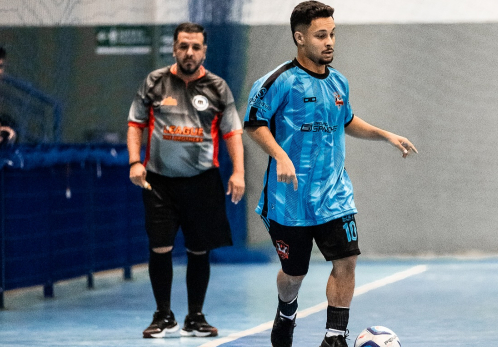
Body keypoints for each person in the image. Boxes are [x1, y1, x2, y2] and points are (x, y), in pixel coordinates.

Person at [243, 2, 418, 347]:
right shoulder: (277, 81)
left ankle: (335, 336)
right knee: (294, 274)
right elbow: (253, 124)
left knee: (346, 259)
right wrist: (280, 155)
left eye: (333, 34)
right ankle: (287, 309)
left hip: (334, 194)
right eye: (321, 35)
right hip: (289, 198)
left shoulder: (339, 82)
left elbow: (347, 121)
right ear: (300, 37)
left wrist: (385, 134)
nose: (330, 42)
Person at [127, 22, 245, 339]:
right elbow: (135, 123)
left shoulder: (218, 87)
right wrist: (135, 161)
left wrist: (238, 172)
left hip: (202, 181)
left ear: (204, 50)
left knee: (199, 250)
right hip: (158, 182)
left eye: (195, 47)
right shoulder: (154, 82)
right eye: (183, 46)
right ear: (174, 48)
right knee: (161, 246)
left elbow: (232, 132)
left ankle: (195, 317)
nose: (189, 52)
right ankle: (163, 315)